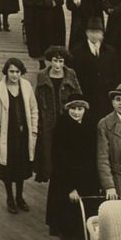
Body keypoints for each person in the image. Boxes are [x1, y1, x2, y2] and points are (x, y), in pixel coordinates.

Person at [46, 94, 99, 240]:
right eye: (73, 109)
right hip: (65, 184)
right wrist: (70, 187)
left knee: (84, 226)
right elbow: (59, 159)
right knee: (67, 226)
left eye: (80, 109)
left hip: (87, 184)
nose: (76, 113)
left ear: (85, 110)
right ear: (67, 110)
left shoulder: (91, 127)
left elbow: (93, 157)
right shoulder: (61, 127)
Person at [0, 57, 38, 214]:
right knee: (8, 169)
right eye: (11, 71)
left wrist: (34, 130)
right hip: (7, 136)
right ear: (6, 72)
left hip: (23, 135)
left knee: (21, 168)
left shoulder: (26, 86)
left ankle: (19, 197)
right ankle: (10, 197)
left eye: (17, 72)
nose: (14, 75)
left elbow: (33, 109)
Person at [34, 46, 82, 183]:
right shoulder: (42, 75)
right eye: (55, 61)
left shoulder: (70, 74)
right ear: (50, 61)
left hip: (66, 119)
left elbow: (78, 95)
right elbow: (37, 98)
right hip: (47, 119)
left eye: (61, 61)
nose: (57, 65)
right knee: (48, 149)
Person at [70, 22, 120, 120]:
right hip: (86, 95)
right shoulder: (77, 51)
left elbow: (116, 74)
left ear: (102, 34)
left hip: (105, 97)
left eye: (97, 32)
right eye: (91, 32)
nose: (94, 35)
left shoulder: (110, 51)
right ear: (86, 33)